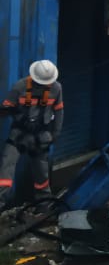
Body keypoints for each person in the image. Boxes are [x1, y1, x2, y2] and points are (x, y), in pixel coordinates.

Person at [0, 60, 63, 209]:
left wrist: (55, 135)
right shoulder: (19, 87)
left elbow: (59, 112)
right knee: (6, 170)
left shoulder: (56, 88)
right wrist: (10, 111)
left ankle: (44, 206)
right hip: (19, 135)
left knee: (42, 175)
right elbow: (7, 108)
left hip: (40, 138)